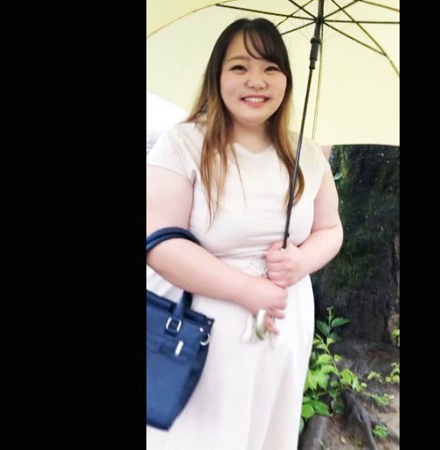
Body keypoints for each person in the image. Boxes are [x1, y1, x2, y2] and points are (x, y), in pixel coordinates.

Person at [146, 17, 343, 450]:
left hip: (283, 328)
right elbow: (160, 243)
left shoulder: (306, 152)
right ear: (217, 75)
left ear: (288, 79)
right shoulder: (183, 145)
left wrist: (303, 260)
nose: (257, 80)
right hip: (196, 331)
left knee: (263, 432)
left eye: (271, 67)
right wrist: (248, 290)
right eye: (240, 67)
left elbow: (330, 228)